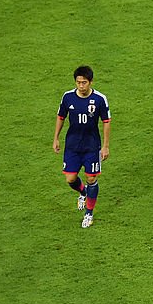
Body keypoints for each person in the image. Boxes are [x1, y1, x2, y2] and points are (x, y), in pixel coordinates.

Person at [52, 65, 111, 228]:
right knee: (70, 178)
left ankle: (89, 214)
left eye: (84, 82)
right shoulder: (68, 97)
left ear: (90, 82)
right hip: (72, 146)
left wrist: (105, 146)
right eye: (78, 82)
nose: (81, 86)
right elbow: (61, 117)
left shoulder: (100, 99)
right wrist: (56, 138)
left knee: (91, 178)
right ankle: (83, 193)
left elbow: (106, 123)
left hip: (92, 146)